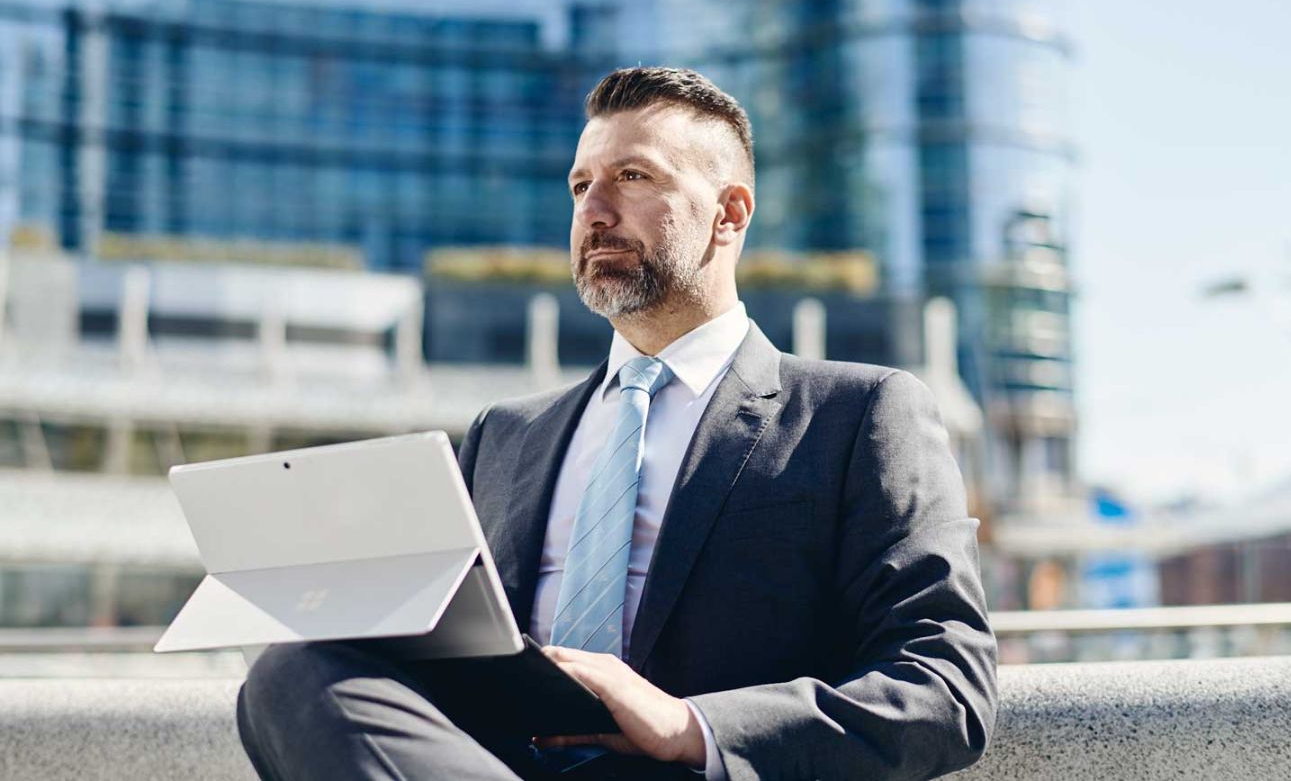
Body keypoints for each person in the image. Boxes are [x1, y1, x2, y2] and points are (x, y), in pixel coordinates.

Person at [236, 67, 998, 780]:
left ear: (729, 213)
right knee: (292, 671)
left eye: (633, 179)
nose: (594, 212)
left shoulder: (858, 414)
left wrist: (689, 725)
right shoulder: (506, 435)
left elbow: (945, 688)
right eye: (580, 186)